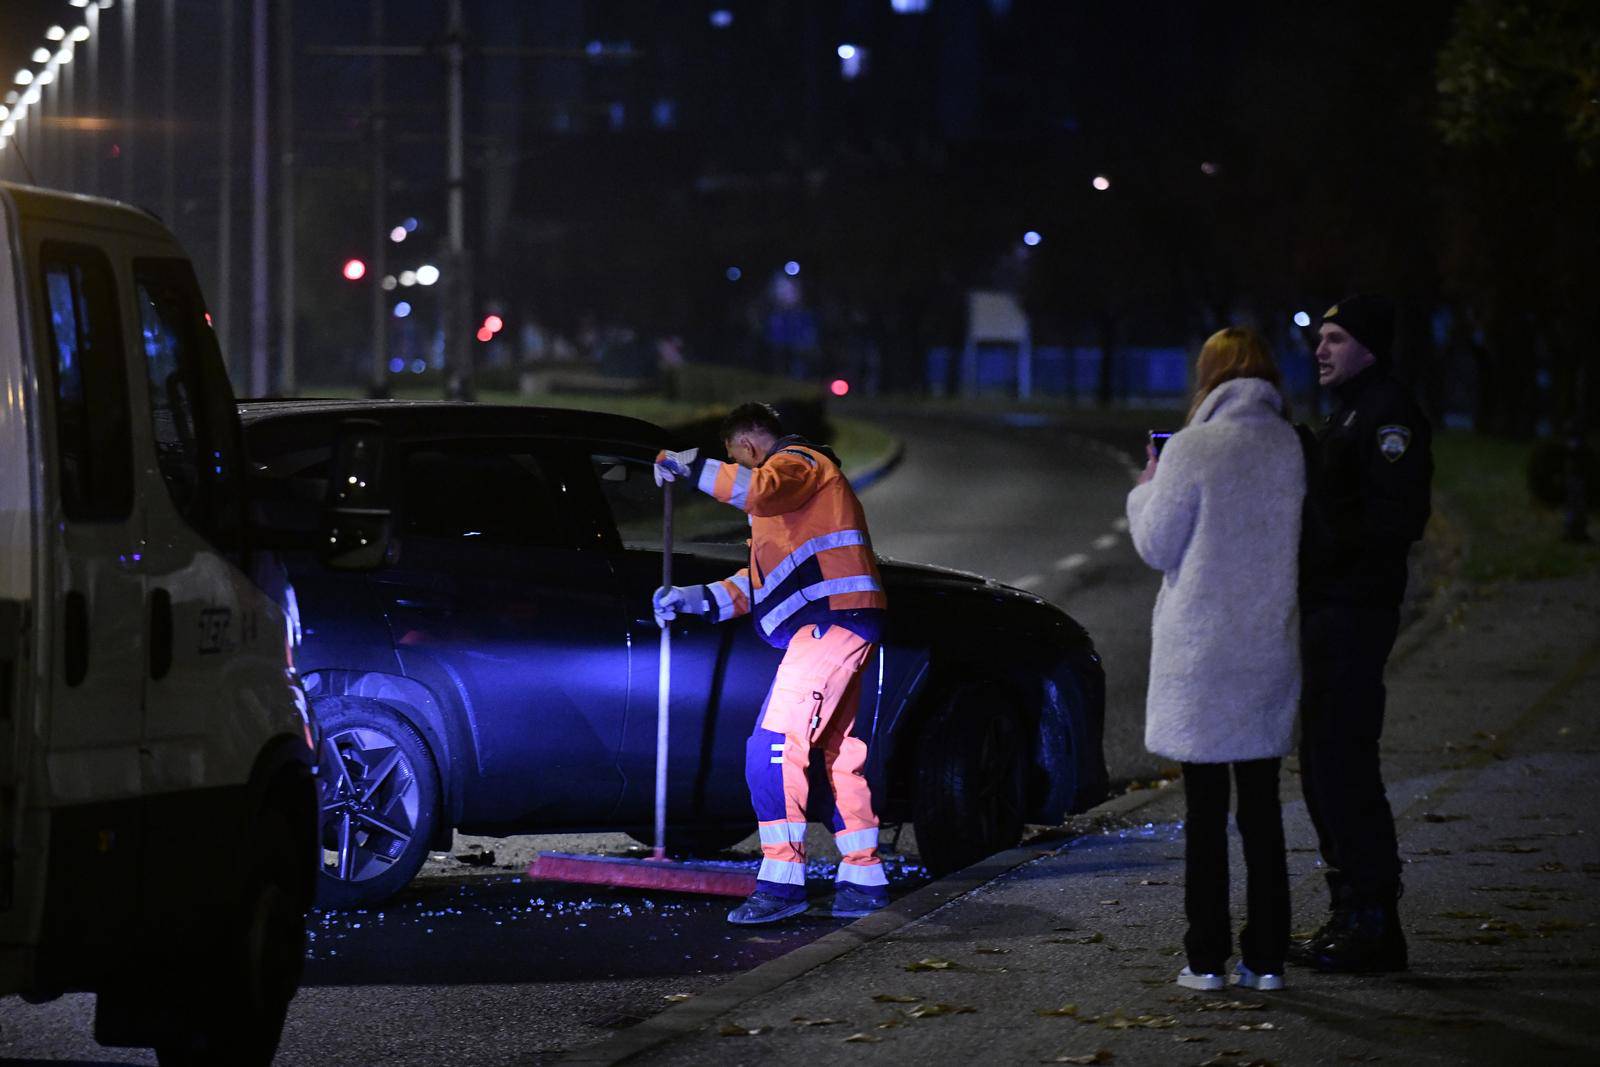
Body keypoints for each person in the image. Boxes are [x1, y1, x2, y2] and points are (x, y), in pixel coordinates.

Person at [652, 402, 889, 925]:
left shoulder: (797, 464)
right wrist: (690, 600)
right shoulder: (791, 510)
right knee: (837, 755)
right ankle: (864, 879)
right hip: (840, 622)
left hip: (829, 622)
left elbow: (756, 488)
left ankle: (782, 883)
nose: (740, 468)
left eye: (736, 457)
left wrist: (689, 468)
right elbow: (761, 586)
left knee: (773, 747)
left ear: (749, 446)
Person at [1126, 327, 1304, 991]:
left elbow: (1156, 543)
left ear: (1209, 375)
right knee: (1262, 809)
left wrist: (1148, 481)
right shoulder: (1288, 445)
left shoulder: (1193, 448)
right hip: (1265, 648)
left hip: (1201, 656)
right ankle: (1267, 957)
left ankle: (1206, 958)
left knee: (1204, 814)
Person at [1297, 294, 1432, 972]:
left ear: (1370, 345)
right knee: (1322, 765)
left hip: (1356, 610)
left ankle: (1375, 921)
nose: (1321, 349)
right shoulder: (1350, 409)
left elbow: (1397, 517)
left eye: (1336, 338)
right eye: (1320, 337)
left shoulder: (1387, 414)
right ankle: (1348, 909)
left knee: (1345, 763)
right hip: (1330, 609)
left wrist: (1323, 545)